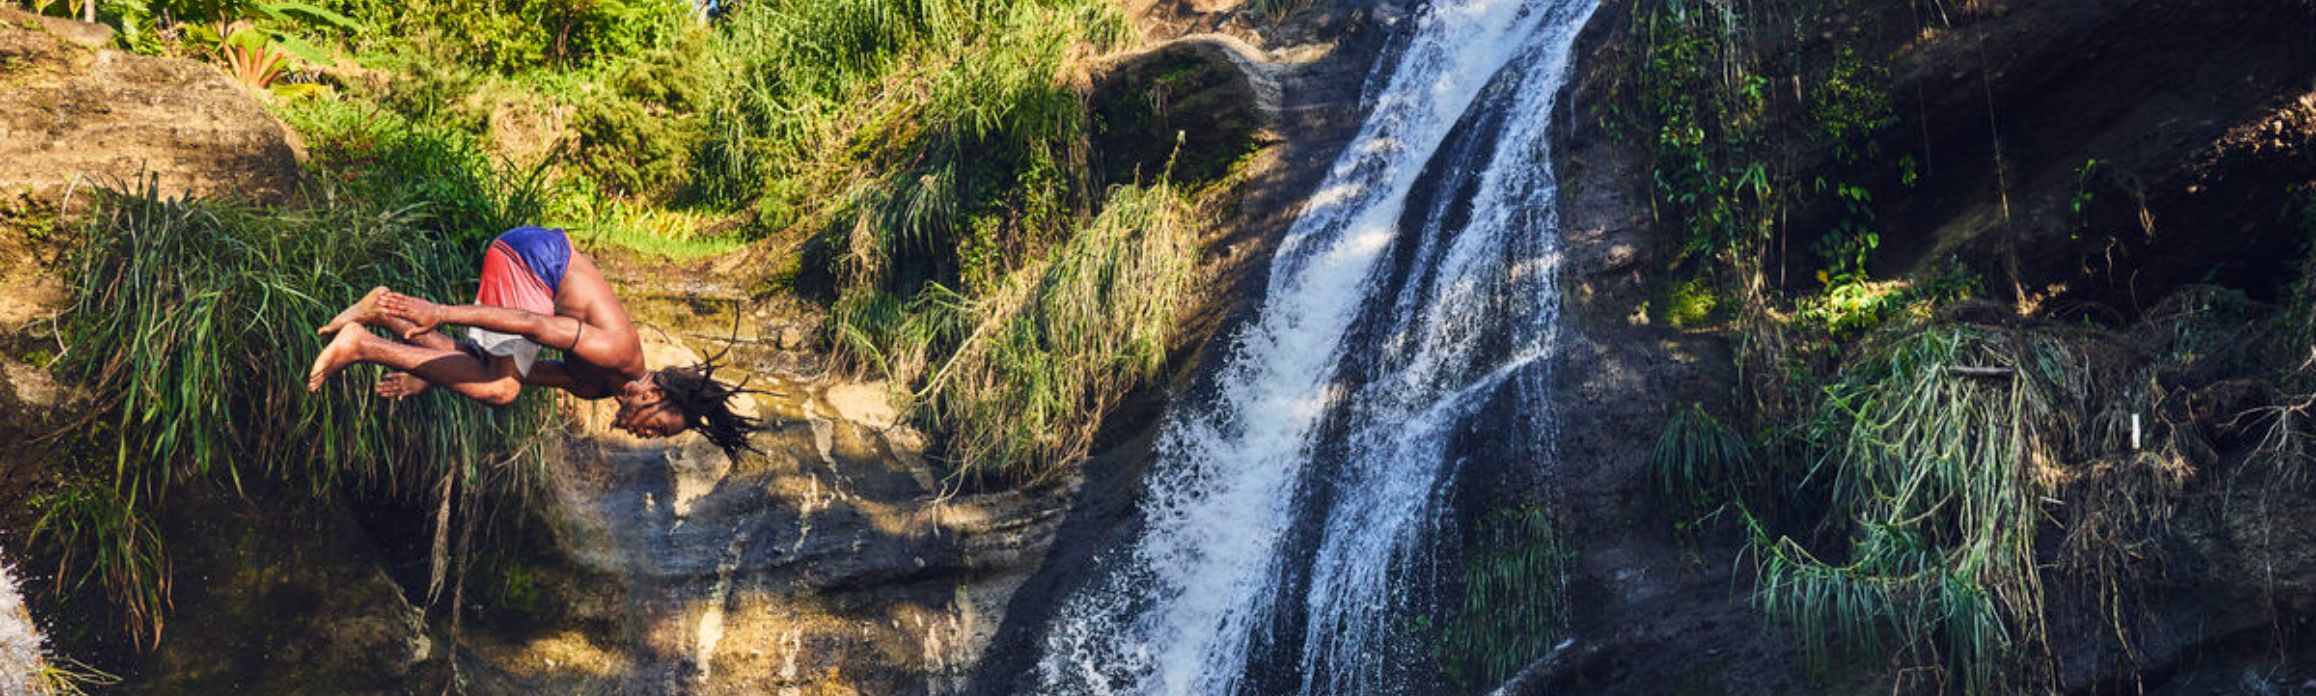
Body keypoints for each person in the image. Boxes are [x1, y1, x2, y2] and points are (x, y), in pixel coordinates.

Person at [306, 225, 759, 458]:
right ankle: (361, 344)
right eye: (657, 427)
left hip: (530, 262)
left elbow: (485, 365)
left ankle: (382, 311)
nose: (644, 435)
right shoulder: (618, 353)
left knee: (495, 380)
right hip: (533, 259)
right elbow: (530, 325)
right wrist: (438, 312)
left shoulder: (595, 386)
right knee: (502, 390)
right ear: (653, 394)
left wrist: (429, 376)